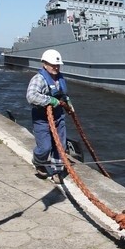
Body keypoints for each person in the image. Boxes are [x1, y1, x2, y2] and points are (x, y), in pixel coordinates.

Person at [27, 49, 72, 184]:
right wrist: (49, 100)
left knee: (60, 146)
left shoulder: (60, 78)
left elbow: (63, 95)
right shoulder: (38, 79)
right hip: (42, 119)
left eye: (57, 65)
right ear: (44, 64)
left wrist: (69, 105)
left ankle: (57, 171)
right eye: (53, 65)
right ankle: (38, 161)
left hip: (58, 116)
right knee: (45, 147)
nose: (56, 67)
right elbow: (31, 96)